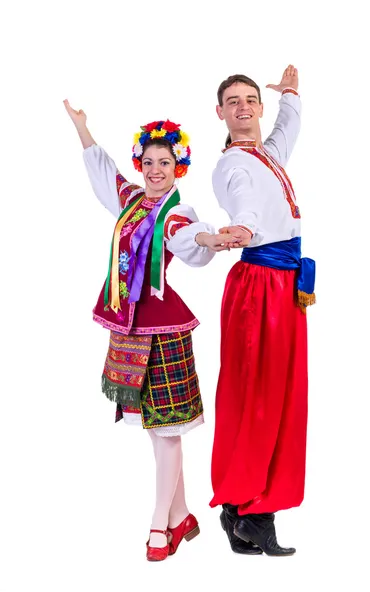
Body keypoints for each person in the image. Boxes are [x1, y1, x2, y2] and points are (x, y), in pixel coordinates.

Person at [64, 101, 238, 561]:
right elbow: (105, 177)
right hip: (127, 323)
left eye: (165, 163)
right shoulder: (132, 200)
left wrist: (210, 238)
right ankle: (181, 514)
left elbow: (188, 235)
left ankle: (159, 525)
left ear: (178, 166)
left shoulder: (176, 213)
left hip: (161, 328)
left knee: (167, 430)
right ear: (140, 164)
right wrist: (84, 129)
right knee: (153, 428)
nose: (156, 170)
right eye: (149, 162)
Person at [209, 65, 316, 556]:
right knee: (260, 395)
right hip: (261, 288)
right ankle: (252, 510)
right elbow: (245, 204)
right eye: (233, 101)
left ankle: (240, 512)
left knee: (280, 392)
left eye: (250, 98)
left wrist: (290, 92)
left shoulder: (266, 155)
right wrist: (245, 229)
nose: (244, 106)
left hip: (285, 283)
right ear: (221, 113)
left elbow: (287, 129)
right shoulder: (233, 166)